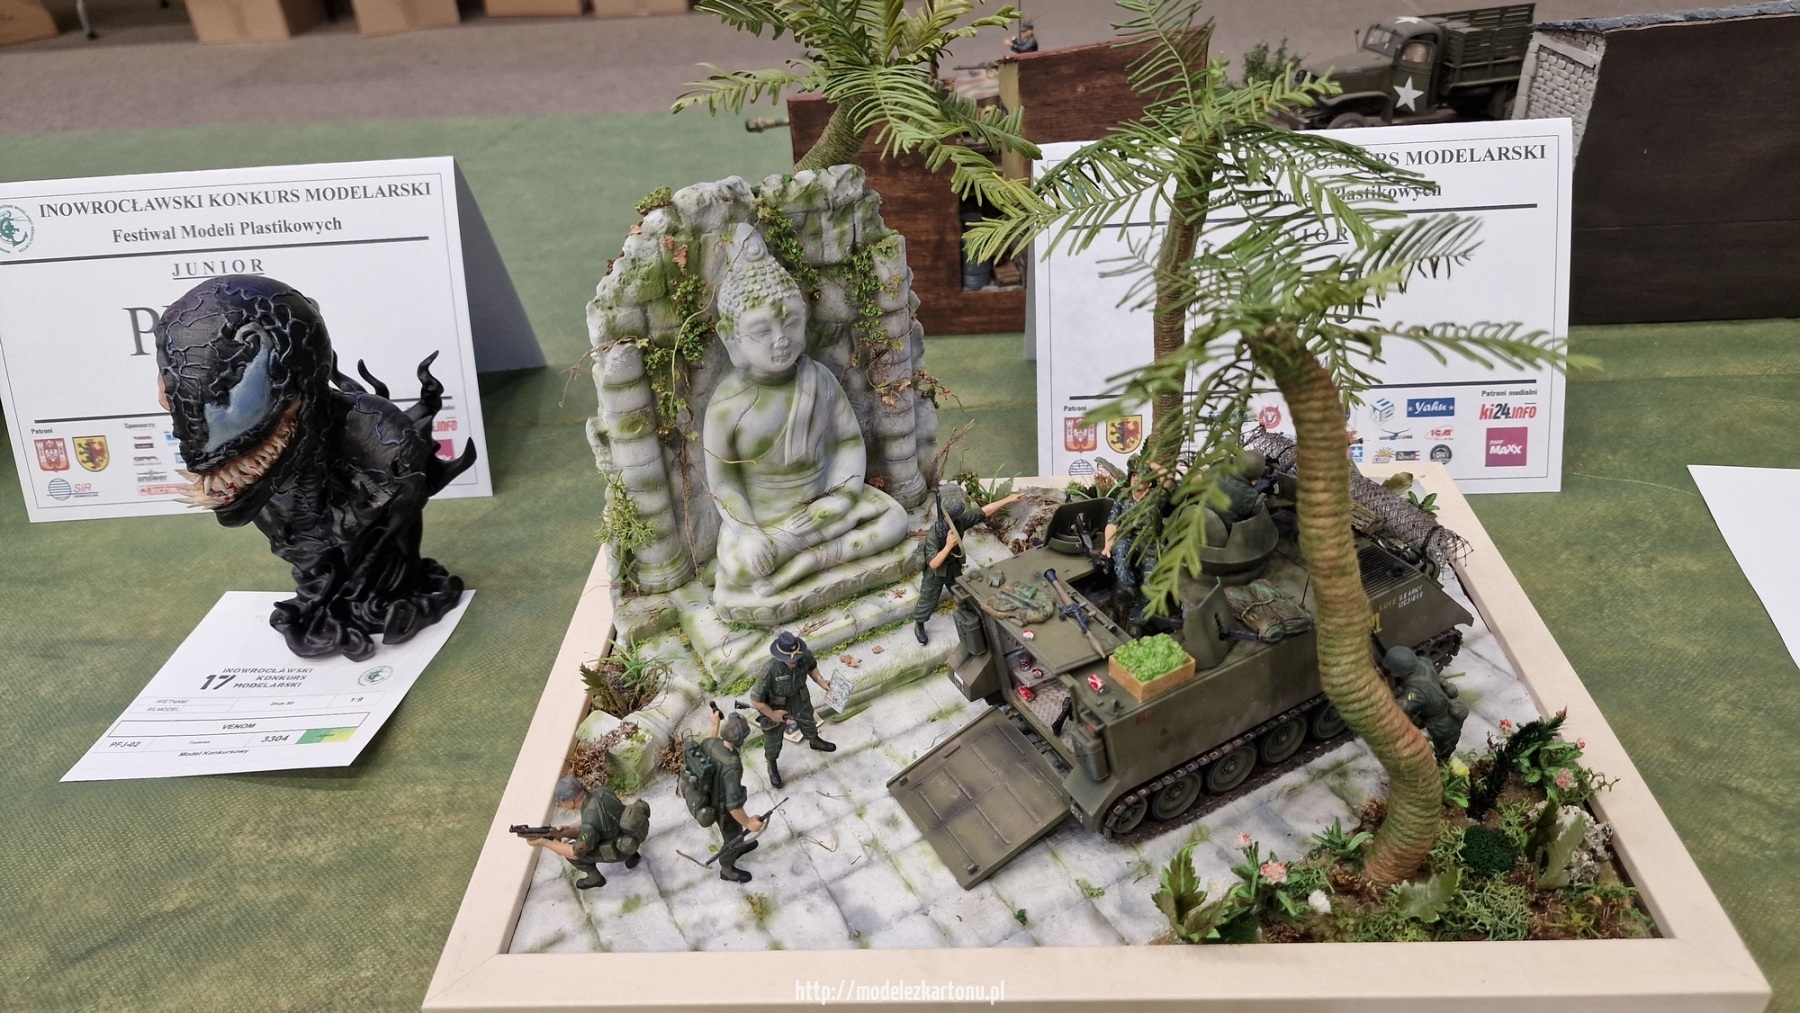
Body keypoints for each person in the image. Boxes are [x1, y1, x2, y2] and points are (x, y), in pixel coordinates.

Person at [702, 224, 909, 599]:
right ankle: (805, 561)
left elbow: (848, 443)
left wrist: (837, 501)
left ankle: (804, 567)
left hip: (825, 506)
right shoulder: (727, 405)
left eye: (791, 323)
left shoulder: (819, 380)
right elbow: (723, 483)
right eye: (762, 331)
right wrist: (747, 533)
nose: (781, 339)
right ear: (730, 336)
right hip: (769, 525)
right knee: (741, 566)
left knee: (895, 519)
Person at [913, 486, 1024, 644]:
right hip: (936, 573)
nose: (960, 516)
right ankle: (919, 624)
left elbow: (984, 512)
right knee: (928, 600)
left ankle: (967, 611)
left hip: (953, 566)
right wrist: (948, 546)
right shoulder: (934, 534)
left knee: (961, 592)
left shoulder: (959, 522)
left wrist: (1008, 499)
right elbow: (933, 563)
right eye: (957, 515)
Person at [524, 776, 650, 890]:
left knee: (571, 852)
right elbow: (597, 820)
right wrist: (567, 830)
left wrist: (544, 842)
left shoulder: (589, 825)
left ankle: (595, 879)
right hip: (630, 837)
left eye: (562, 802)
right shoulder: (603, 792)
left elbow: (574, 852)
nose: (562, 804)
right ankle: (633, 855)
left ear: (571, 802)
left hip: (620, 850)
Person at [748, 631, 837, 788]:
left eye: (796, 658)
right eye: (790, 660)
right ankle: (771, 763)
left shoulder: (805, 656)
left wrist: (820, 681)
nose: (794, 661)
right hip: (777, 705)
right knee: (773, 737)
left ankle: (814, 741)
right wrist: (773, 715)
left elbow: (812, 667)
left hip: (799, 697)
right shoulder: (769, 670)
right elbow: (756, 700)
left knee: (808, 720)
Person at [703, 709, 764, 883]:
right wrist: (748, 823)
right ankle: (727, 868)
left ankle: (739, 847)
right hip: (722, 806)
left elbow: (709, 739)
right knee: (732, 836)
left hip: (711, 795)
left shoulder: (711, 744)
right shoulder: (732, 765)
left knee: (736, 831)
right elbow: (733, 805)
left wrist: (714, 723)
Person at [1381, 645, 1469, 762]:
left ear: (1400, 672)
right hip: (1439, 705)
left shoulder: (1416, 691)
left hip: (1443, 724)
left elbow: (1403, 704)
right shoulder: (1423, 661)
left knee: (1444, 747)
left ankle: (1442, 763)